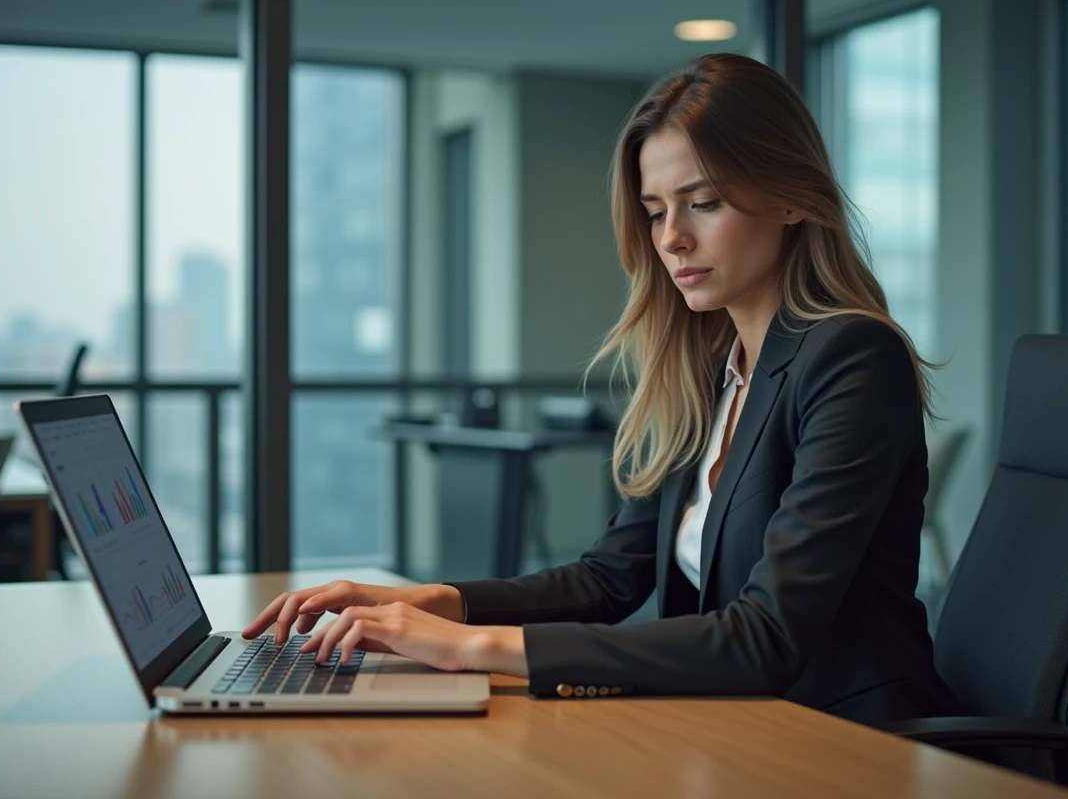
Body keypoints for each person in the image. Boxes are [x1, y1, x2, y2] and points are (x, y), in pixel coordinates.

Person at [243, 52, 962, 725]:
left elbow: (764, 638)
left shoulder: (852, 359)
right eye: (655, 211)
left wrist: (465, 649)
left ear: (790, 199)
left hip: (844, 738)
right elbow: (607, 579)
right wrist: (433, 604)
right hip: (735, 727)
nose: (672, 238)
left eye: (702, 202)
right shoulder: (715, 369)